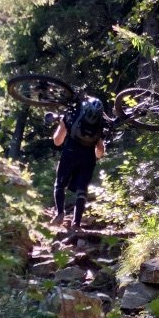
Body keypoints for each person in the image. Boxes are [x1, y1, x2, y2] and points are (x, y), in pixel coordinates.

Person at [46, 97, 108, 228]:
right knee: (82, 190)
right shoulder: (101, 124)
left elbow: (57, 141)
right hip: (88, 158)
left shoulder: (72, 116)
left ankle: (60, 214)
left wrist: (62, 125)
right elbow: (100, 153)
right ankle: (76, 223)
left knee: (60, 185)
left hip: (70, 152)